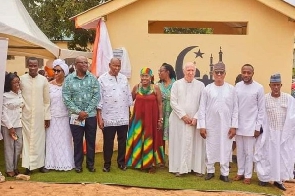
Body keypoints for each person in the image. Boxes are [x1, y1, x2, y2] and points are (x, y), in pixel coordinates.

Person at [254, 73, 295, 191]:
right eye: (273, 85)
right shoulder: (265, 99)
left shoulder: (289, 99)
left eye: (278, 85)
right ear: (270, 85)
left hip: (283, 135)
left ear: (281, 85)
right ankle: (264, 178)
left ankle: (278, 180)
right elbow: (260, 115)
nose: (276, 87)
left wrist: (288, 133)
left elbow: (292, 116)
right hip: (268, 133)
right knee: (266, 155)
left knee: (281, 157)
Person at [198, 62, 238, 182]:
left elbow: (236, 109)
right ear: (213, 73)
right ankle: (210, 171)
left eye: (221, 72)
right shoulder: (207, 89)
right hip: (211, 124)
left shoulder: (231, 89)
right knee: (210, 147)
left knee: (225, 148)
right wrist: (202, 126)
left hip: (226, 125)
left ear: (225, 74)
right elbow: (202, 108)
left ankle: (224, 173)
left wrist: (234, 126)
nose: (219, 74)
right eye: (217, 72)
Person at [62, 56, 100, 173]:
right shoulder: (68, 79)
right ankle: (78, 165)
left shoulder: (93, 79)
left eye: (86, 62)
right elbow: (66, 98)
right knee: (77, 141)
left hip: (90, 116)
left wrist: (86, 112)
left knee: (90, 140)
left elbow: (96, 96)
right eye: (82, 63)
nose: (85, 64)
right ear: (75, 64)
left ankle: (90, 164)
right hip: (75, 117)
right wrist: (79, 112)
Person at [169, 62, 206, 177]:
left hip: (195, 121)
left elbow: (203, 104)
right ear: (184, 71)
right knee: (179, 142)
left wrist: (196, 117)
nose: (190, 73)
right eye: (188, 70)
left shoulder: (201, 85)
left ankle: (196, 168)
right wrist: (183, 116)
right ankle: (179, 168)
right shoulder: (176, 84)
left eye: (192, 70)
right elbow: (173, 102)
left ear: (195, 72)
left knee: (196, 143)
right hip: (179, 120)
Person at [125, 67, 164, 173]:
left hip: (151, 119)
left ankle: (151, 164)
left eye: (146, 76)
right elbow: (129, 101)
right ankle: (137, 162)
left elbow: (160, 104)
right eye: (142, 76)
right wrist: (128, 114)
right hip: (138, 120)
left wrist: (160, 119)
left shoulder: (155, 88)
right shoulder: (136, 88)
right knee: (137, 138)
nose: (144, 78)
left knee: (150, 139)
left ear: (151, 77)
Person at [97, 57, 133, 172]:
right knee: (108, 141)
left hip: (123, 116)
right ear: (109, 65)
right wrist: (100, 118)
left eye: (119, 66)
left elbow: (128, 97)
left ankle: (121, 163)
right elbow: (99, 100)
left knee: (122, 140)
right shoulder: (102, 79)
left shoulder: (124, 79)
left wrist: (128, 113)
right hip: (108, 116)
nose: (117, 68)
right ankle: (107, 164)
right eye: (115, 66)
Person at [233, 64, 264, 184]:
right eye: (244, 72)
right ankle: (240, 173)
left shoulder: (259, 88)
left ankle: (248, 175)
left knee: (249, 152)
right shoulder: (237, 86)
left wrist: (257, 127)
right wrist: (234, 125)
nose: (246, 75)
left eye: (248, 73)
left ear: (252, 73)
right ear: (241, 73)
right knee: (240, 151)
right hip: (239, 125)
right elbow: (235, 107)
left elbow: (261, 110)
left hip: (252, 126)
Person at [20, 57, 51, 175]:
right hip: (26, 115)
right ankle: (27, 166)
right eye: (31, 65)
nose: (33, 68)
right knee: (27, 140)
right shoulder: (22, 79)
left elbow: (46, 100)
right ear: (28, 66)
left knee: (39, 140)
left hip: (39, 115)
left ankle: (40, 165)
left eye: (35, 66)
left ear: (38, 66)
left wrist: (47, 117)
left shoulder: (43, 80)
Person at [44, 59, 75, 171]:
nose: (56, 73)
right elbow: (46, 102)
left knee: (65, 140)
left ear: (64, 72)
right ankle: (51, 163)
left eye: (58, 71)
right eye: (55, 70)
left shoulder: (70, 85)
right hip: (52, 117)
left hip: (65, 117)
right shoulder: (48, 85)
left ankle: (65, 162)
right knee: (51, 141)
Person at [1, 73, 24, 177]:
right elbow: (2, 113)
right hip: (8, 126)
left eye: (17, 81)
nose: (16, 84)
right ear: (9, 84)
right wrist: (10, 127)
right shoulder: (5, 96)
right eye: (14, 82)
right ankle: (9, 169)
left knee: (19, 145)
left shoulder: (20, 93)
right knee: (9, 147)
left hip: (19, 124)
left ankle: (15, 166)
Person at [157, 63, 176, 157]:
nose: (159, 73)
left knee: (172, 136)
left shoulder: (176, 84)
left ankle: (172, 159)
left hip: (173, 113)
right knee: (160, 136)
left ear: (167, 72)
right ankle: (160, 159)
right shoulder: (157, 85)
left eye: (161, 71)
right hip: (161, 113)